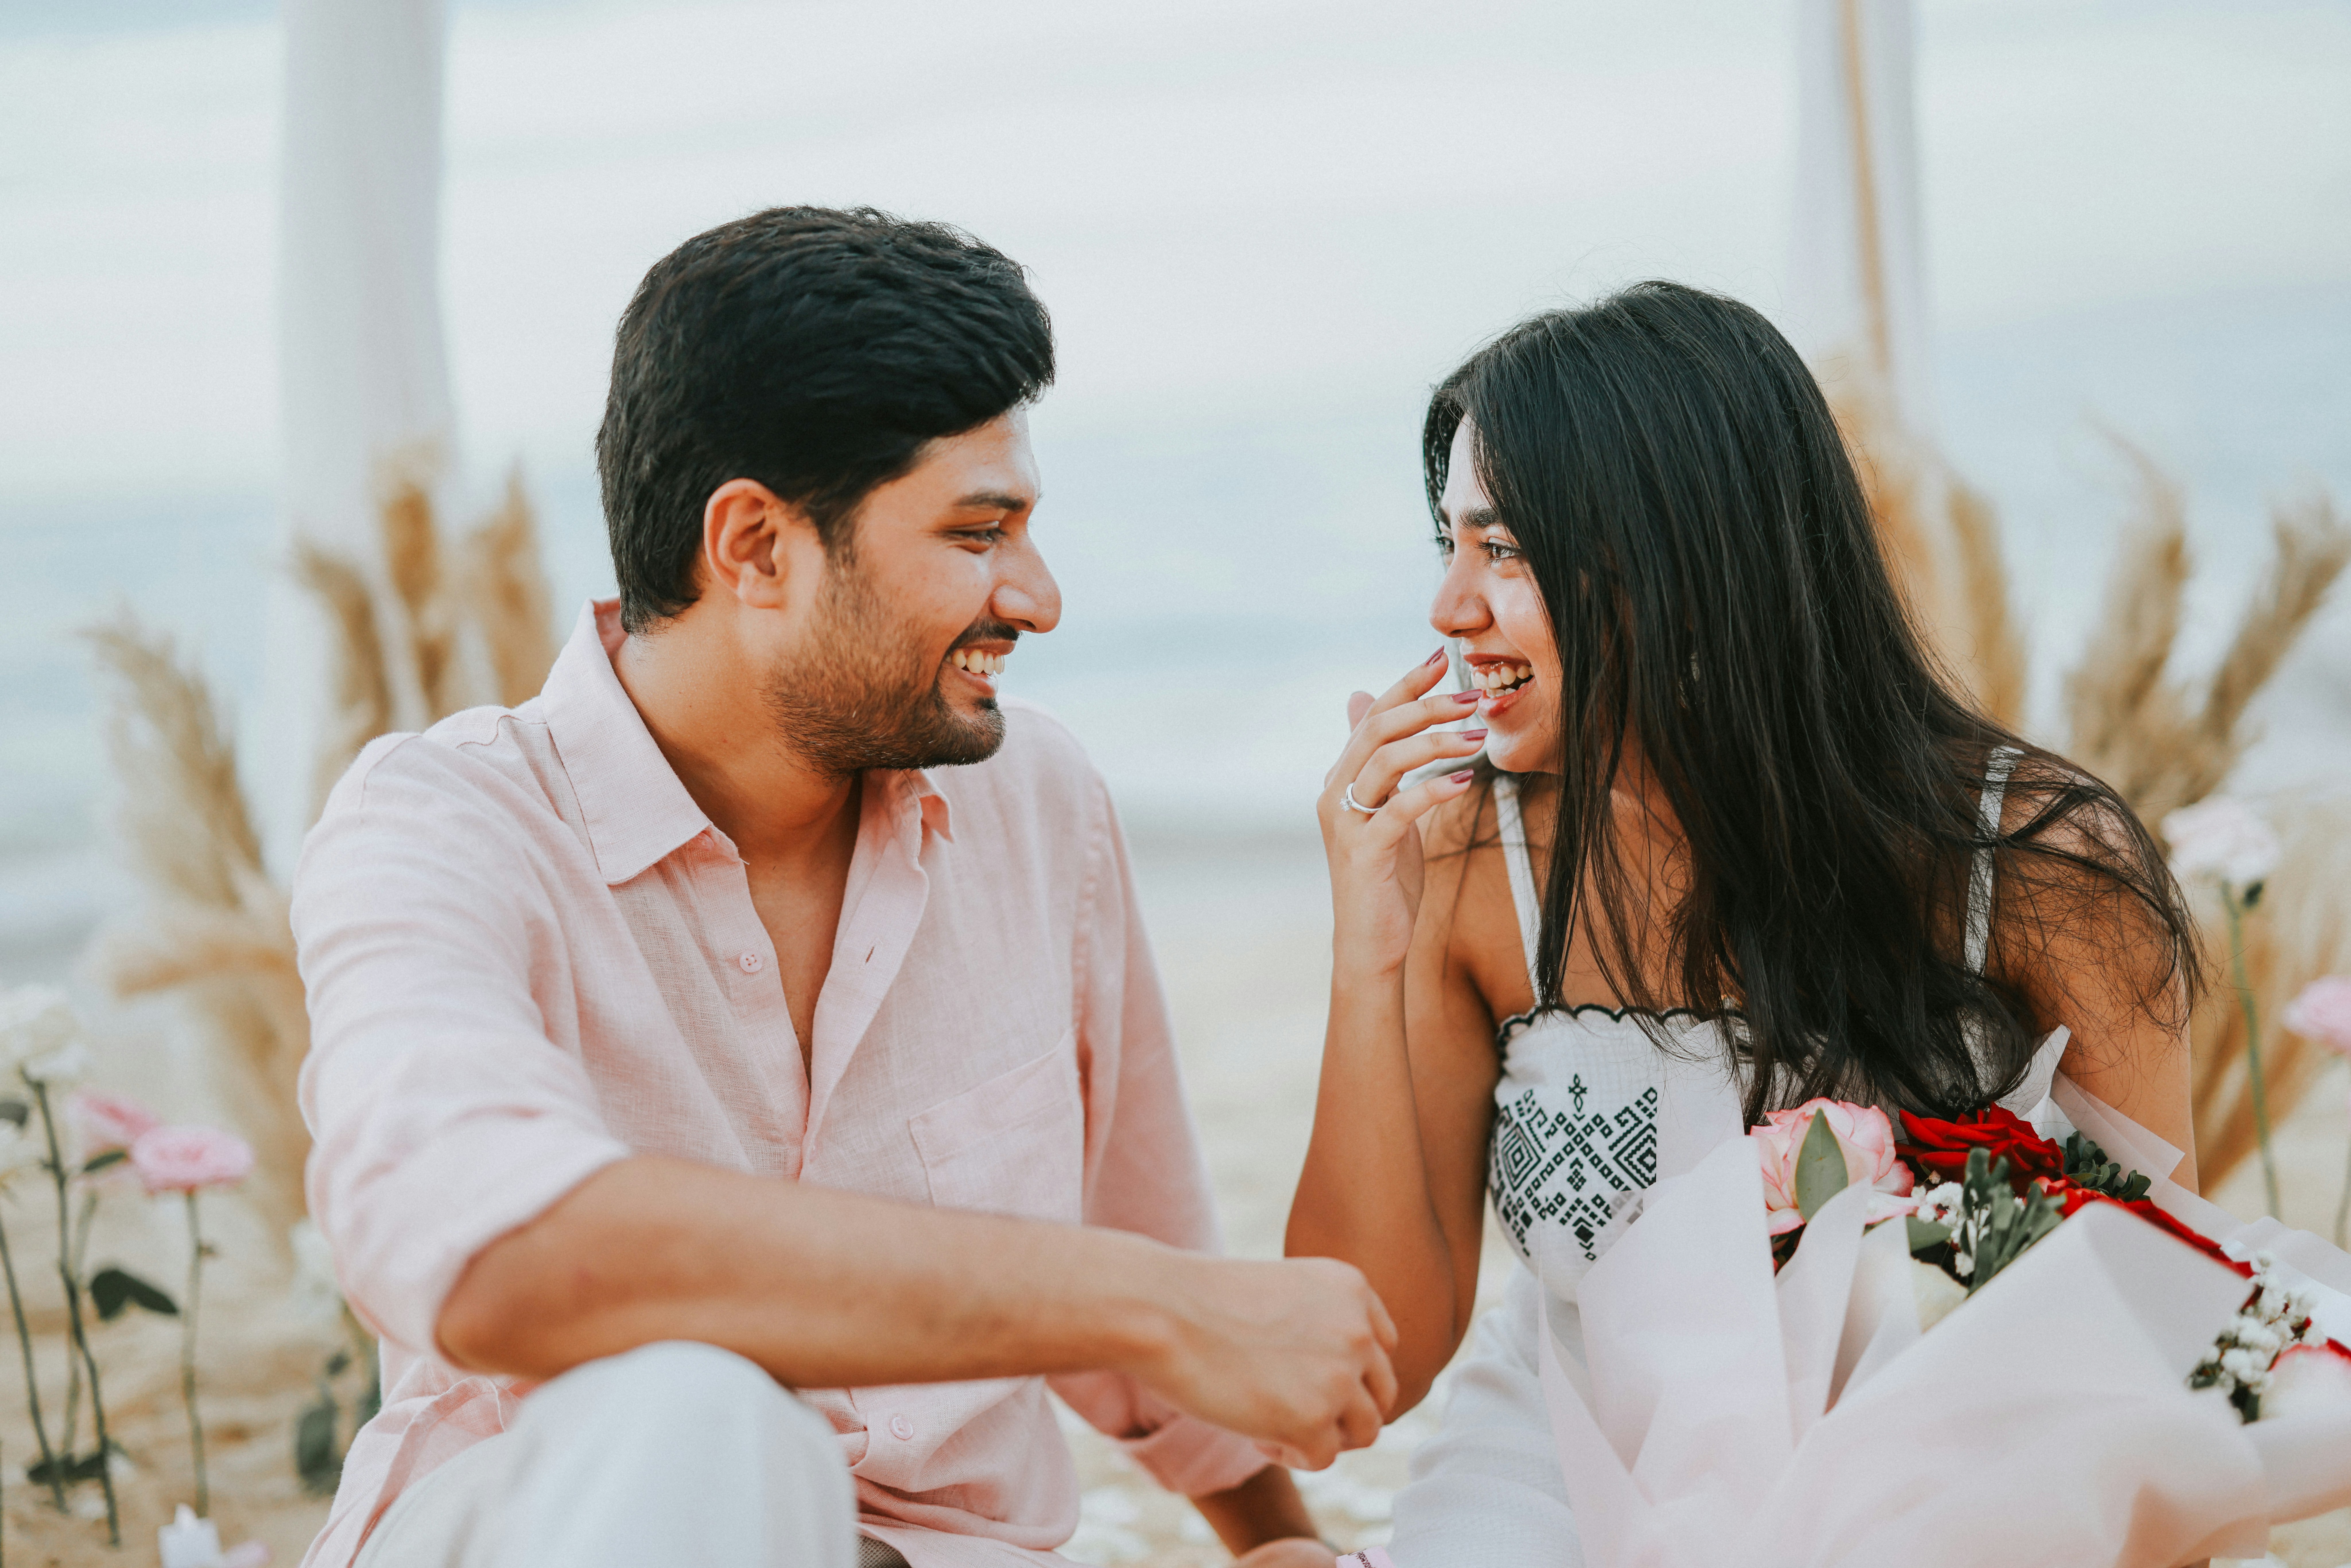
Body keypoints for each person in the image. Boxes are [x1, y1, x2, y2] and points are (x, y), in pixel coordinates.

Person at [292, 206, 1394, 1568]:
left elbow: (1146, 1247)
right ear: (754, 547)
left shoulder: (1039, 805)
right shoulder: (442, 826)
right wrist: (1151, 1303)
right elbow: (501, 1254)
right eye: (977, 531)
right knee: (703, 1409)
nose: (1037, 597)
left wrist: (1274, 1543)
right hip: (575, 1528)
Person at [1288, 282, 2205, 1565]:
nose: (1449, 609)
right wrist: (1365, 952)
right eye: (1449, 546)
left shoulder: (2035, 864)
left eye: (1503, 552)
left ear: (1682, 555)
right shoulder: (1463, 868)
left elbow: (2159, 1320)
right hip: (1553, 1486)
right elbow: (1365, 1358)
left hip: (1939, 1499)